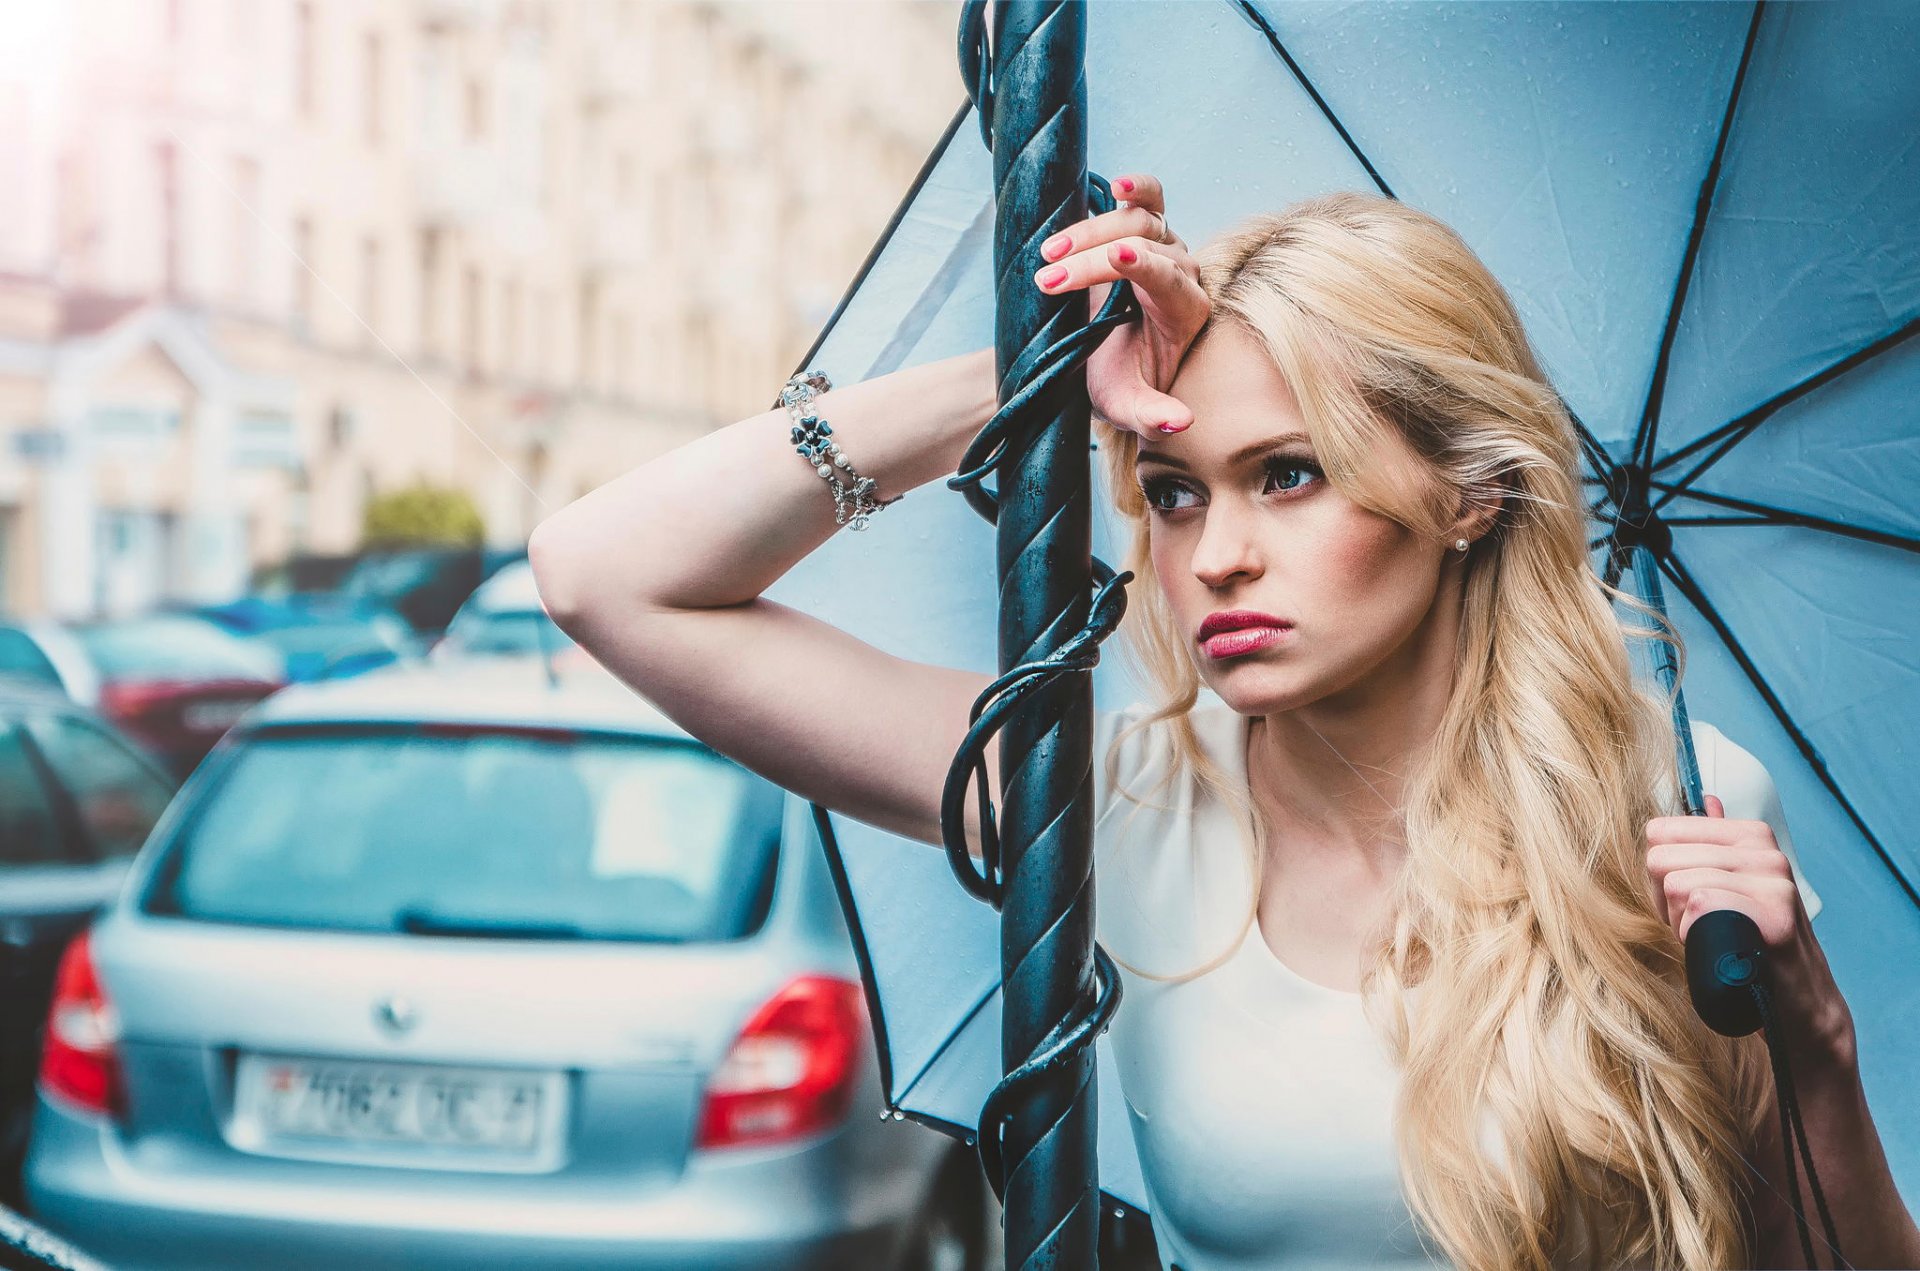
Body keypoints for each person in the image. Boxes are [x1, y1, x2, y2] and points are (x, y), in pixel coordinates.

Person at [528, 180, 1920, 1270]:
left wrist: (1817, 1048)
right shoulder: (1108, 805)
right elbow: (607, 576)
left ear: (1467, 498)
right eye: (1176, 490)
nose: (1215, 558)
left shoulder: (1675, 809)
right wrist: (1024, 376)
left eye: (1289, 474)